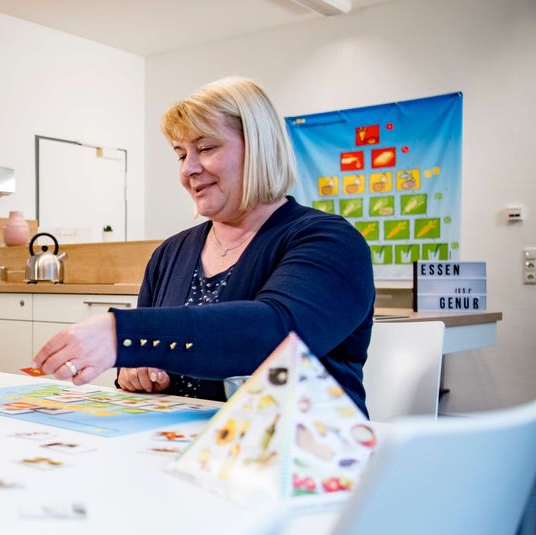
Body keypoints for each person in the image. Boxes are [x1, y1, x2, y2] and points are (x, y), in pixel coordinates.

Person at [32, 77, 374, 415]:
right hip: (183, 447)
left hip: (300, 456)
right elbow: (148, 358)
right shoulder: (170, 254)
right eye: (181, 155)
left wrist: (123, 333)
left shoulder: (329, 241)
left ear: (259, 148)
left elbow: (276, 334)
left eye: (207, 148)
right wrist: (135, 372)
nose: (189, 169)